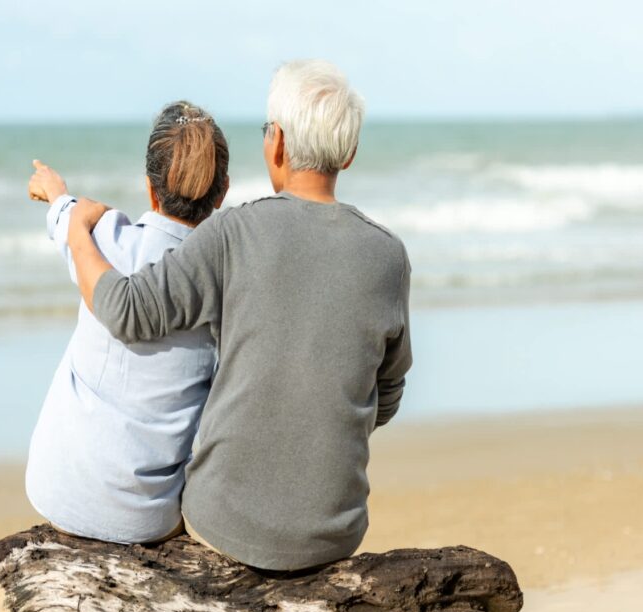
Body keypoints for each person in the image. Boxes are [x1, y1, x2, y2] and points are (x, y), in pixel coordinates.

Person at [66, 60, 412, 570]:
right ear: (349, 153)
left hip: (223, 525)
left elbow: (127, 310)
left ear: (277, 145)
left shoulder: (234, 234)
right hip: (335, 533)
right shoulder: (388, 255)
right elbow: (387, 395)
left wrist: (77, 231)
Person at [25, 101, 229, 544]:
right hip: (144, 520)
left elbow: (66, 220)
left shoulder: (101, 239)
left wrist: (55, 192)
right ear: (223, 192)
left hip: (56, 488)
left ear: (150, 189)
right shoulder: (224, 287)